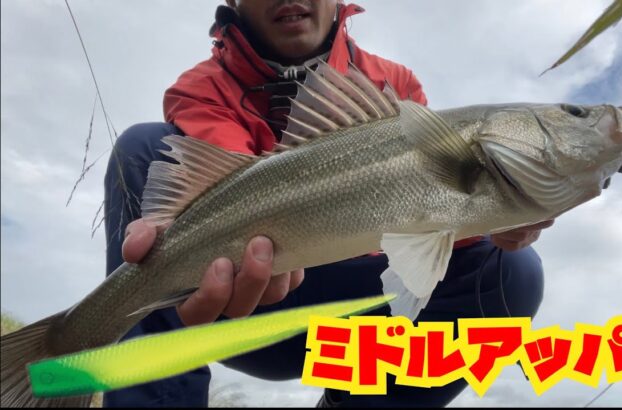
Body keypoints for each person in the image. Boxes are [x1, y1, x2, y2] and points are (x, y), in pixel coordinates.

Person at [103, 0, 553, 407]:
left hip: (357, 317)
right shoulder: (201, 89)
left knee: (511, 269)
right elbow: (235, 186)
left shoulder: (395, 84)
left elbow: (425, 221)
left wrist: (496, 211)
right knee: (144, 147)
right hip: (233, 309)